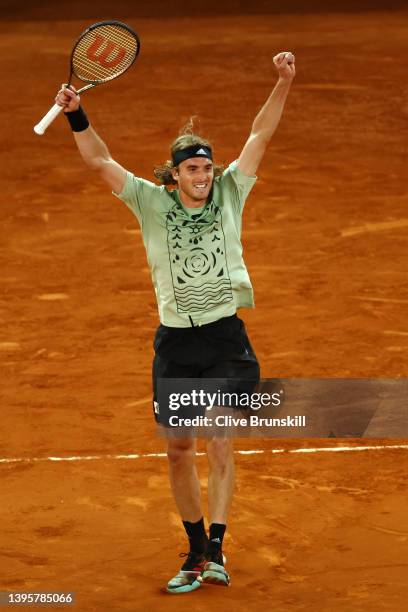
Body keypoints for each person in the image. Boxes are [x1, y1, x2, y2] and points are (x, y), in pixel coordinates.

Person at [55, 50, 295, 594]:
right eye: (193, 169)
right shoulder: (150, 202)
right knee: (179, 448)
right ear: (176, 173)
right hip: (175, 344)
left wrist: (283, 82)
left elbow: (260, 135)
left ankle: (216, 547)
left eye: (208, 167)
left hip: (226, 340)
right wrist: (76, 114)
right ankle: (193, 548)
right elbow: (99, 160)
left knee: (218, 438)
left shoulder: (232, 191)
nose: (204, 176)